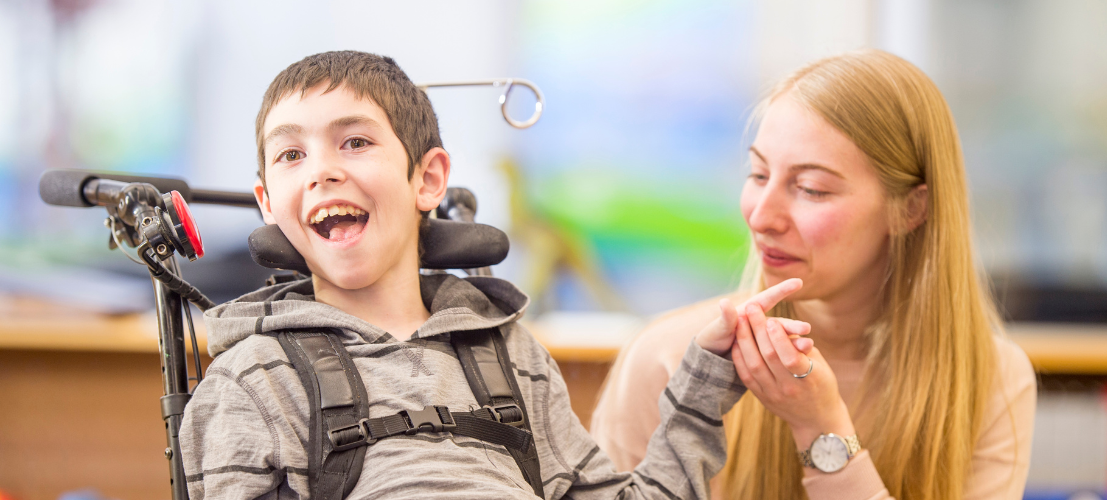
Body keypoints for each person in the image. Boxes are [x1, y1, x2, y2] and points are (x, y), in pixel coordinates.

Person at [179, 50, 811, 499]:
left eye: (354, 143)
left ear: (427, 179)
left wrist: (704, 384)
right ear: (268, 203)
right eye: (292, 154)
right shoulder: (252, 379)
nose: (320, 170)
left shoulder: (509, 356)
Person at [590, 49, 1037, 500]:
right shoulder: (665, 357)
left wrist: (820, 428)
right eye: (759, 174)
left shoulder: (992, 379)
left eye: (811, 189)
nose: (762, 217)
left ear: (911, 208)